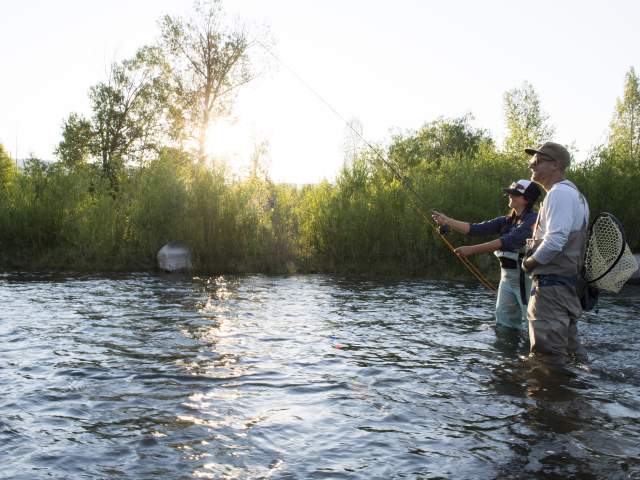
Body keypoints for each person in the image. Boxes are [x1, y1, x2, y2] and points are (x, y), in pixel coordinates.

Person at [431, 179, 541, 330]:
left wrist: (471, 250)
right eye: (510, 193)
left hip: (525, 281)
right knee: (504, 323)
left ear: (527, 199)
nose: (510, 196)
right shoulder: (507, 220)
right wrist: (447, 220)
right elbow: (475, 229)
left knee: (534, 325)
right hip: (506, 279)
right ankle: (508, 352)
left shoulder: (532, 221)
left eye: (515, 194)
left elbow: (507, 241)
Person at [521, 141, 589, 365]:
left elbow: (556, 240)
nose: (532, 165)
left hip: (551, 288)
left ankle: (553, 398)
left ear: (556, 166)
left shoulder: (558, 194)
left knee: (546, 357)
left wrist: (529, 263)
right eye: (532, 161)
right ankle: (578, 396)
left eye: (538, 161)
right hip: (566, 287)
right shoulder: (575, 195)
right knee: (572, 355)